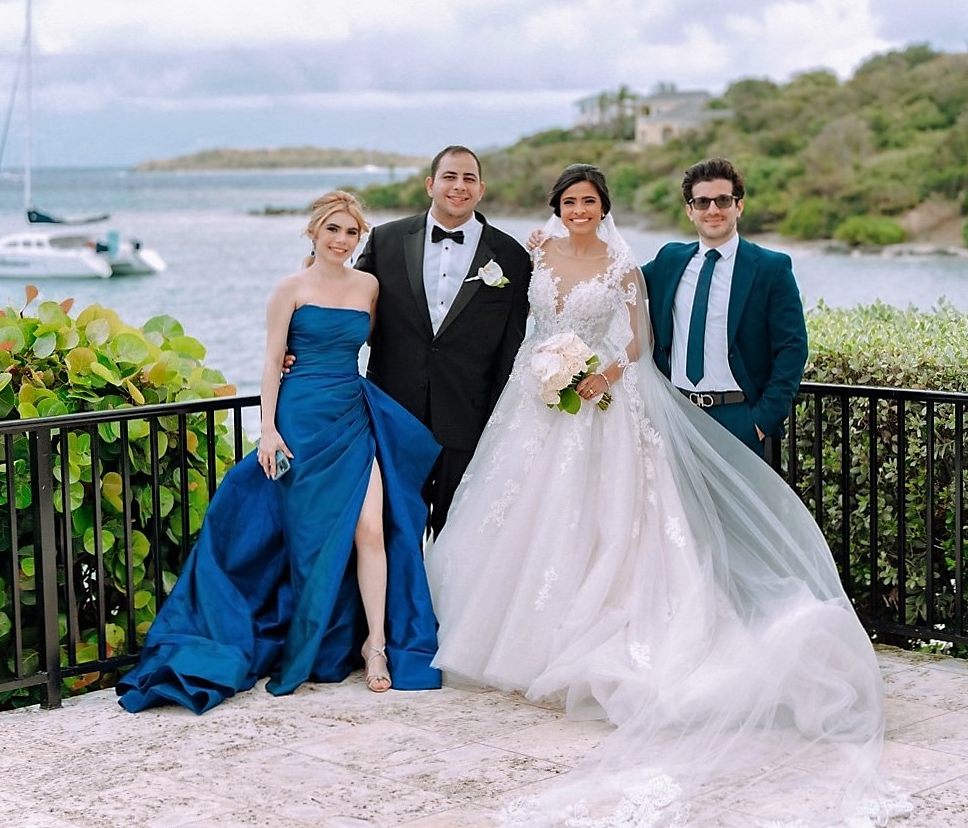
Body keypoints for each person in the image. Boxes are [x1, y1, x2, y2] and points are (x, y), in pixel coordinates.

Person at [428, 166, 899, 825]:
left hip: (707, 414)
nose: (581, 210)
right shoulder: (615, 255)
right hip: (545, 412)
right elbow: (527, 309)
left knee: (696, 538)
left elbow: (665, 342)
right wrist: (546, 365)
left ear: (738, 204)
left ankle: (752, 638)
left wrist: (758, 415)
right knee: (556, 523)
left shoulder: (737, 265)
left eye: (590, 201)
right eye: (570, 202)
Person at [117, 192, 442, 714]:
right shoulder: (288, 289)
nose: (342, 240)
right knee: (311, 540)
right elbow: (271, 362)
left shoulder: (369, 287)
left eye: (351, 233)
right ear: (314, 233)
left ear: (360, 239)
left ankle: (375, 645)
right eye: (333, 230)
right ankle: (308, 635)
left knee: (372, 529)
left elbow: (376, 347)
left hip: (351, 416)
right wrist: (267, 431)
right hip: (299, 421)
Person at [355, 146, 532, 539]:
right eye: (450, 176)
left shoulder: (512, 256)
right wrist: (302, 348)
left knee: (458, 535)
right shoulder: (385, 241)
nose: (459, 186)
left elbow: (512, 348)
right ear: (431, 184)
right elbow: (348, 309)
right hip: (393, 414)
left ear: (481, 189)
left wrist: (498, 421)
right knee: (391, 529)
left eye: (469, 178)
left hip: (468, 420)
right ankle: (401, 602)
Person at [641, 157, 808, 457]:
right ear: (690, 210)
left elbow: (793, 348)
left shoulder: (771, 268)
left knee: (744, 507)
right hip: (678, 417)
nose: (713, 210)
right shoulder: (669, 260)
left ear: (738, 206)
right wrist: (553, 247)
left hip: (740, 421)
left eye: (722, 200)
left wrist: (760, 421)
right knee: (682, 505)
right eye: (702, 202)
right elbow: (615, 282)